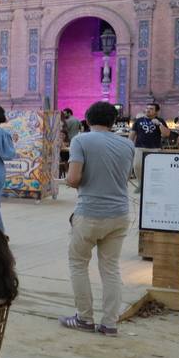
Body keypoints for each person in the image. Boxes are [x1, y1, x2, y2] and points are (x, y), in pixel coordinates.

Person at [62, 101, 134, 336]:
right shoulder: (127, 144)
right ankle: (110, 323)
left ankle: (84, 318)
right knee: (111, 268)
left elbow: (73, 178)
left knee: (78, 264)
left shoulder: (81, 141)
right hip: (120, 213)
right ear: (113, 121)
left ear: (88, 120)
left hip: (90, 212)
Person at [131, 101, 170, 186]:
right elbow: (132, 135)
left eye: (151, 109)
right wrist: (129, 146)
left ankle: (152, 185)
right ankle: (141, 185)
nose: (148, 110)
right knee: (137, 167)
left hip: (155, 148)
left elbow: (166, 134)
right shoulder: (139, 120)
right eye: (147, 108)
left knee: (155, 169)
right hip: (139, 148)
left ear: (156, 111)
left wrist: (159, 124)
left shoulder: (160, 120)